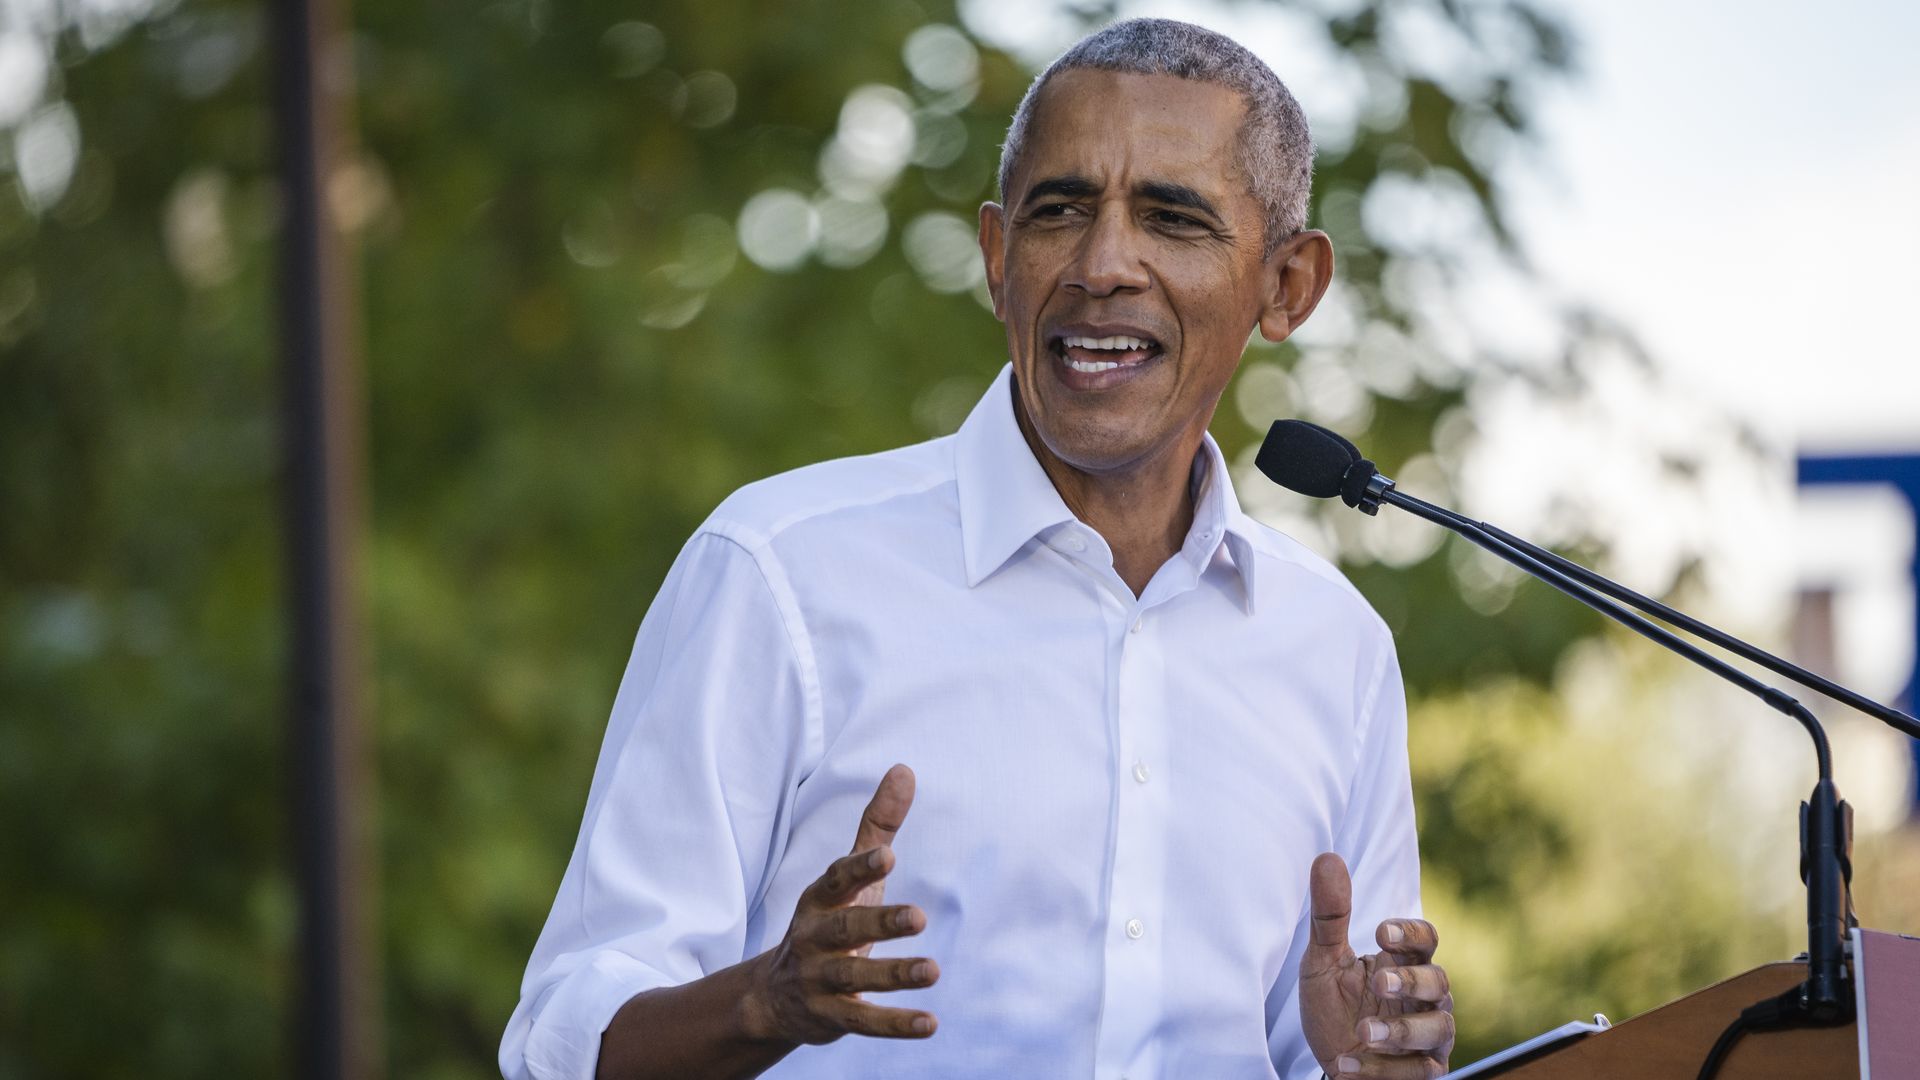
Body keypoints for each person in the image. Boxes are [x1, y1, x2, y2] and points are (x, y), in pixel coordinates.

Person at [502, 17, 1453, 1080]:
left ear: (1288, 286)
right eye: (1061, 211)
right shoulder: (780, 572)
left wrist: (1368, 1063)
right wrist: (766, 1003)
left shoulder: (1336, 648)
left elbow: (1332, 1041)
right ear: (1000, 259)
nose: (1102, 264)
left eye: (1171, 220)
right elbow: (564, 1040)